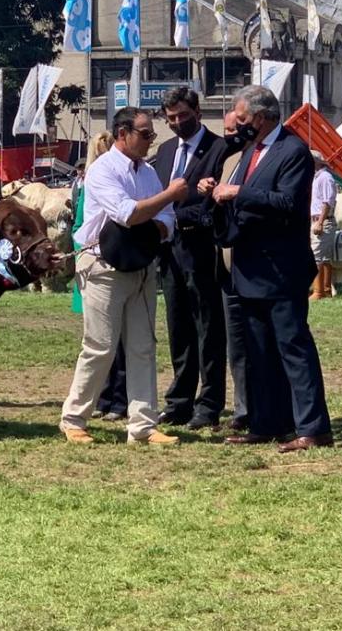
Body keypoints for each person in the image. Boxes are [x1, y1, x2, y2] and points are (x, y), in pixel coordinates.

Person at [204, 85, 333, 452]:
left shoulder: (293, 151)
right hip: (248, 270)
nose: (238, 126)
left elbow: (289, 203)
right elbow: (239, 194)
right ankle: (267, 421)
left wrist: (238, 193)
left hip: (281, 270)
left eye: (243, 119)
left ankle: (313, 426)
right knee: (258, 352)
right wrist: (216, 191)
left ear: (262, 117)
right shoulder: (251, 151)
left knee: (293, 348)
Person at [60, 107, 187, 445]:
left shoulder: (146, 172)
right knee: (100, 346)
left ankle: (143, 425)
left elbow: (169, 219)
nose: (150, 140)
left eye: (151, 134)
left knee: (143, 346)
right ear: (122, 135)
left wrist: (160, 219)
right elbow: (127, 214)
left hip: (142, 265)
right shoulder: (102, 171)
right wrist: (168, 196)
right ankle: (74, 419)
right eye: (145, 134)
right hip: (103, 266)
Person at [153, 87, 228, 430]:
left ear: (197, 111)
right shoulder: (165, 151)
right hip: (170, 250)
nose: (178, 123)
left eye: (183, 115)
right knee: (178, 326)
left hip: (202, 248)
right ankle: (179, 400)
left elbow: (219, 201)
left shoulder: (219, 148)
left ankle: (209, 402)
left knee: (207, 328)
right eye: (171, 118)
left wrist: (198, 207)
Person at [71, 130, 127, 421]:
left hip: (110, 260)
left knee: (112, 341)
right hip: (90, 261)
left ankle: (118, 399)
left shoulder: (115, 179)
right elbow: (80, 223)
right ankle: (104, 398)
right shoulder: (86, 183)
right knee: (98, 339)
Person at [202, 110, 251, 431]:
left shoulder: (268, 158)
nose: (229, 135)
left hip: (258, 265)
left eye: (235, 129)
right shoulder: (230, 162)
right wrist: (212, 192)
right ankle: (243, 409)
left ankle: (268, 407)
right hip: (227, 264)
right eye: (226, 130)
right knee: (237, 346)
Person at [309, 150, 337, 301]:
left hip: (322, 221)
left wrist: (320, 222)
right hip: (318, 220)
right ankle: (325, 289)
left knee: (316, 255)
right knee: (323, 256)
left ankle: (318, 291)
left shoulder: (325, 178)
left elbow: (327, 202)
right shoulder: (317, 177)